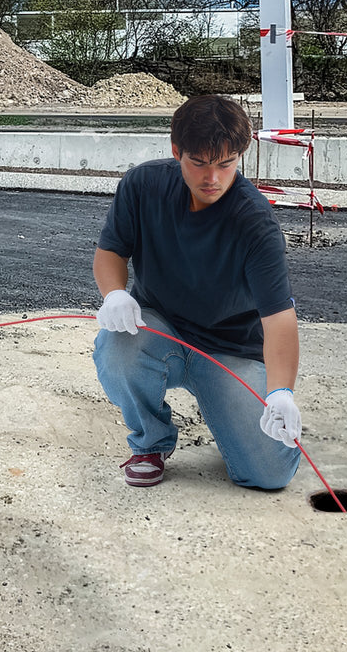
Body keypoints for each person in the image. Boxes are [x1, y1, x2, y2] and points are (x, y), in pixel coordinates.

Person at [92, 94, 302, 489]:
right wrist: (114, 294)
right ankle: (151, 442)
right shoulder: (143, 186)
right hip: (160, 329)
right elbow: (109, 253)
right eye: (200, 163)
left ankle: (266, 420)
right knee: (116, 346)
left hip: (231, 349)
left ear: (241, 154)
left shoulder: (254, 223)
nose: (213, 178)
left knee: (268, 475)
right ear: (177, 151)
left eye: (226, 164)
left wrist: (281, 392)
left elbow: (279, 319)